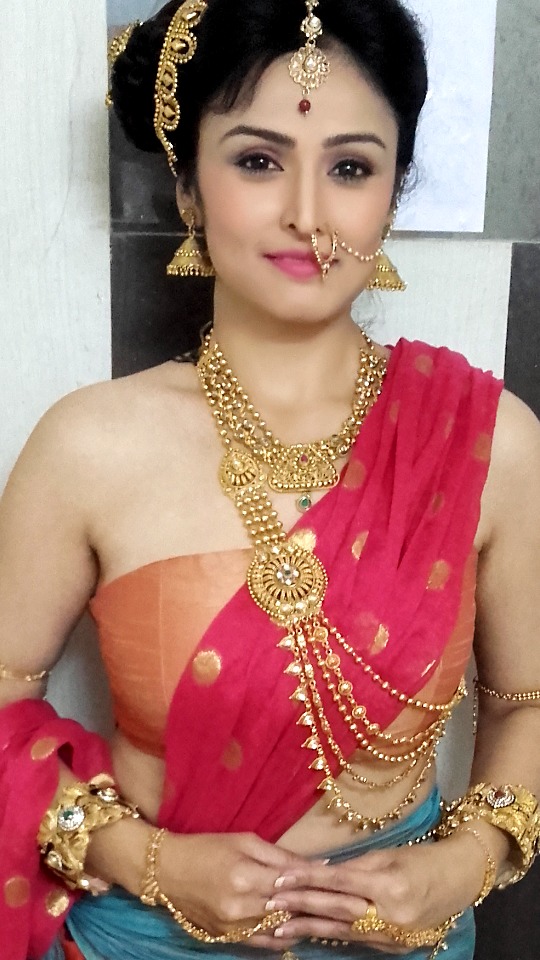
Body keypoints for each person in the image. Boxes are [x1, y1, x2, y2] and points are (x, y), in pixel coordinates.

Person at [1, 1, 539, 958]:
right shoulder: (89, 445)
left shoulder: (488, 442)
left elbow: (527, 700)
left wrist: (466, 864)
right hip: (145, 935)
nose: (307, 213)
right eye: (257, 160)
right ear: (187, 186)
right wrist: (143, 860)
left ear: (393, 193)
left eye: (350, 168)